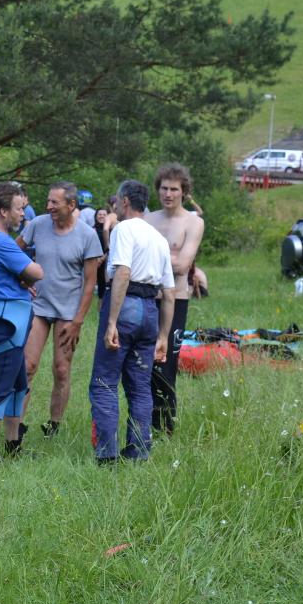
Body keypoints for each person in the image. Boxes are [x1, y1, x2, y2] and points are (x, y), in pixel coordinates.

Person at [88, 179, 174, 464]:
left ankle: (107, 454)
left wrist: (112, 321)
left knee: (105, 381)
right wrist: (163, 334)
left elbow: (122, 272)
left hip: (127, 306)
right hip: (150, 310)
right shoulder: (159, 238)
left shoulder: (123, 229)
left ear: (124, 201)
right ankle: (138, 452)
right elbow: (170, 293)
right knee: (140, 387)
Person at [18, 181, 103, 438]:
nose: (49, 207)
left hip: (69, 311)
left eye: (55, 202)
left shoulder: (87, 236)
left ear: (71, 204)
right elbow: (13, 250)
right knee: (28, 366)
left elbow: (90, 283)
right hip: (40, 306)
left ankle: (53, 425)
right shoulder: (38, 224)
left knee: (61, 368)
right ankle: (17, 424)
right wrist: (21, 279)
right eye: (48, 201)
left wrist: (78, 320)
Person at [0, 183, 43, 458]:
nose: (23, 214)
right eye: (19, 209)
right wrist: (27, 275)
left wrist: (19, 279)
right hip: (6, 322)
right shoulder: (0, 241)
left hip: (8, 319)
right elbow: (37, 272)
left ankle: (13, 447)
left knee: (18, 385)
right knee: (1, 386)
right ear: (3, 211)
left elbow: (12, 274)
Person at [145, 163, 204, 436]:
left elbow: (182, 266)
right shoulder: (148, 220)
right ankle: (143, 423)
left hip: (177, 299)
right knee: (143, 365)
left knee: (166, 363)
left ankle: (166, 427)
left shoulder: (193, 222)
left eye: (174, 189)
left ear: (184, 192)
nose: (168, 194)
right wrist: (167, 257)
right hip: (147, 298)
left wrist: (151, 256)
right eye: (164, 188)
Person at [94, 205, 112, 300]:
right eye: (99, 214)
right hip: (93, 260)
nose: (101, 216)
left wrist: (102, 259)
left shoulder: (110, 230)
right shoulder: (91, 230)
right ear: (96, 216)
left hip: (106, 260)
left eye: (104, 214)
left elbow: (110, 247)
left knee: (105, 287)